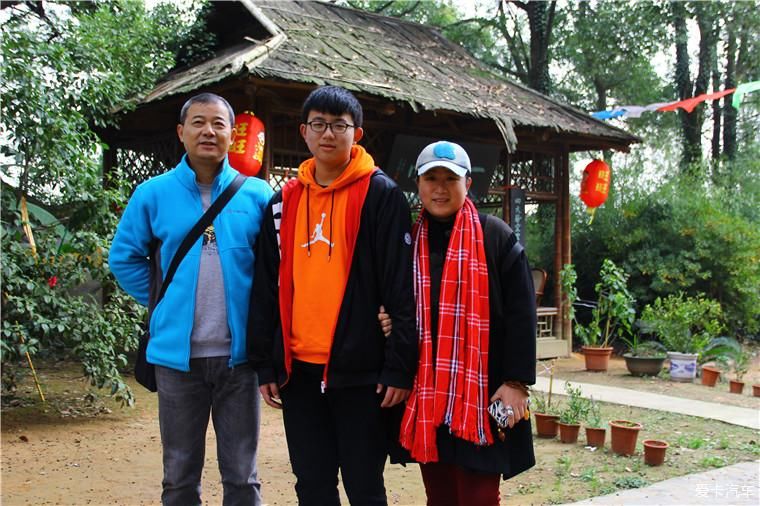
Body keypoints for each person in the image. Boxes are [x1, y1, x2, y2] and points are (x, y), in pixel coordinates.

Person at [248, 85, 417, 505]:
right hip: (299, 371)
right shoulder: (282, 202)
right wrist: (266, 365)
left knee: (364, 484)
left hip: (362, 372)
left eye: (339, 125)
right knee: (312, 483)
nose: (328, 134)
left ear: (356, 134)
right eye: (319, 124)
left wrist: (398, 366)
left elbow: (401, 284)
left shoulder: (381, 195)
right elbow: (266, 286)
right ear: (304, 132)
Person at [110, 92, 273, 505]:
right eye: (198, 122)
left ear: (231, 135)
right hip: (176, 361)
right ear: (181, 132)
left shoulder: (256, 195)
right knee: (180, 474)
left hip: (239, 360)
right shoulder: (152, 193)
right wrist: (165, 301)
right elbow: (125, 257)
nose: (208, 131)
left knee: (242, 474)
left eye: (219, 124)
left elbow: (276, 269)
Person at [394, 141, 537, 505]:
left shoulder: (495, 236)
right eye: (431, 179)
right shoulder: (410, 243)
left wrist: (516, 381)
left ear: (468, 184)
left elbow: (522, 313)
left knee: (479, 497)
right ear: (418, 184)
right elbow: (398, 307)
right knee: (439, 496)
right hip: (428, 392)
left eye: (450, 179)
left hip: (483, 391)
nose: (440, 189)